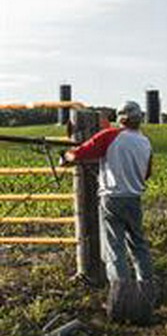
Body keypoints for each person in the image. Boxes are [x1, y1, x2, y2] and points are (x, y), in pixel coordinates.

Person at [63, 101, 154, 290]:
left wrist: (65, 157)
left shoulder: (111, 136)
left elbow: (80, 153)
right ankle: (146, 286)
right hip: (134, 198)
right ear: (139, 119)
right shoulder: (145, 142)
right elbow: (147, 173)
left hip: (112, 199)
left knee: (115, 248)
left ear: (121, 118)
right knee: (138, 244)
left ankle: (122, 291)